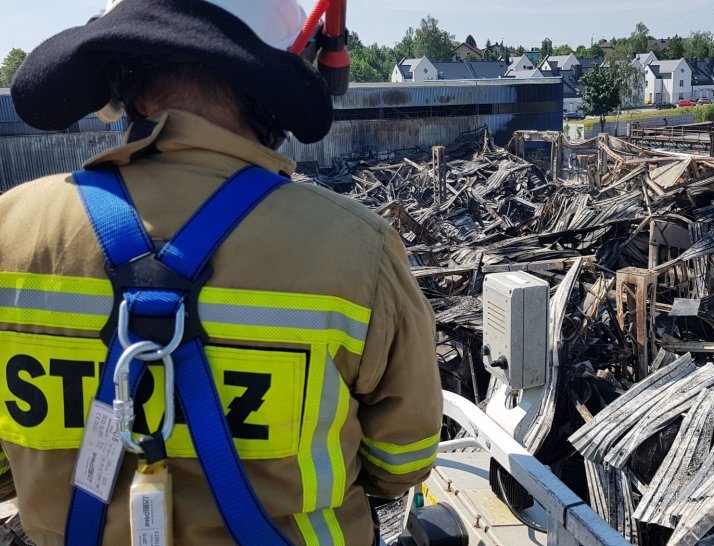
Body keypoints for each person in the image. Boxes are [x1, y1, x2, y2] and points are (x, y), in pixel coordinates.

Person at [0, 1, 442, 545]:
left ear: (124, 87)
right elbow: (402, 460)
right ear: (273, 96)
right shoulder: (357, 246)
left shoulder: (11, 227)